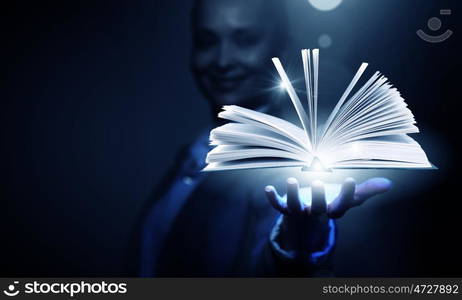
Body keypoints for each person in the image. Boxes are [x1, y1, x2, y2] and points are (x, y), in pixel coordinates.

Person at [131, 0, 392, 277]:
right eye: (207, 41)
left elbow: (268, 269)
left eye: (245, 40)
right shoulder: (196, 153)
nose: (222, 60)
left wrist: (299, 243)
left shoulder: (291, 163)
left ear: (281, 47)